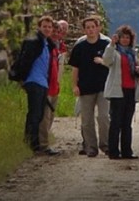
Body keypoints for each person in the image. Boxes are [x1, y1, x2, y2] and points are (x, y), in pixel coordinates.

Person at [100, 24, 139, 160]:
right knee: (116, 122)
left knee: (127, 123)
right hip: (117, 91)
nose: (125, 40)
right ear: (118, 38)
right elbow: (106, 61)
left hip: (130, 89)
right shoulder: (114, 51)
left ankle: (127, 151)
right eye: (123, 37)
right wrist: (111, 45)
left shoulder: (133, 53)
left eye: (127, 37)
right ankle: (113, 151)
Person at [69, 15, 110, 157]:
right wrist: (74, 86)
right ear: (84, 30)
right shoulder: (79, 47)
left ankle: (105, 145)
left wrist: (103, 61)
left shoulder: (106, 45)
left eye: (93, 27)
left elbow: (113, 64)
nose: (91, 30)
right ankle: (91, 147)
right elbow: (75, 69)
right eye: (88, 27)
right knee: (87, 120)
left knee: (104, 117)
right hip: (85, 87)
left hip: (104, 87)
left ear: (98, 28)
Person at [17, 15, 55, 153]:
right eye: (44, 26)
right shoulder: (34, 42)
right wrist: (22, 78)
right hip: (34, 81)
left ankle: (35, 144)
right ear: (39, 27)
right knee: (34, 114)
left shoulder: (47, 44)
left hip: (42, 82)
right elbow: (24, 60)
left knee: (38, 115)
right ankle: (31, 144)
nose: (47, 29)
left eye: (49, 27)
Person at [38, 20, 63, 155]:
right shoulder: (45, 46)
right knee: (45, 117)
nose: (55, 34)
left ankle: (45, 143)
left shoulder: (54, 47)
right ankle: (43, 145)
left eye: (57, 31)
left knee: (50, 117)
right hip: (45, 86)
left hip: (54, 87)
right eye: (54, 31)